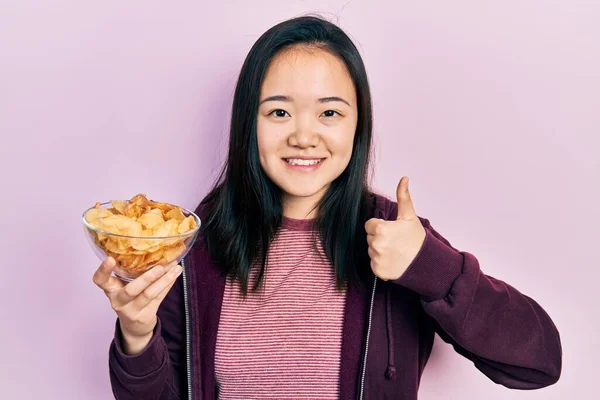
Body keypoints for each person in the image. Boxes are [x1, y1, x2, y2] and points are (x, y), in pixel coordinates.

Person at [93, 15, 562, 400]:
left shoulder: (397, 237)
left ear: (358, 126)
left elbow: (540, 363)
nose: (303, 135)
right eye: (278, 111)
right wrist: (137, 333)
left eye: (330, 112)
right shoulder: (198, 242)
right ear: (247, 123)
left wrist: (429, 267)